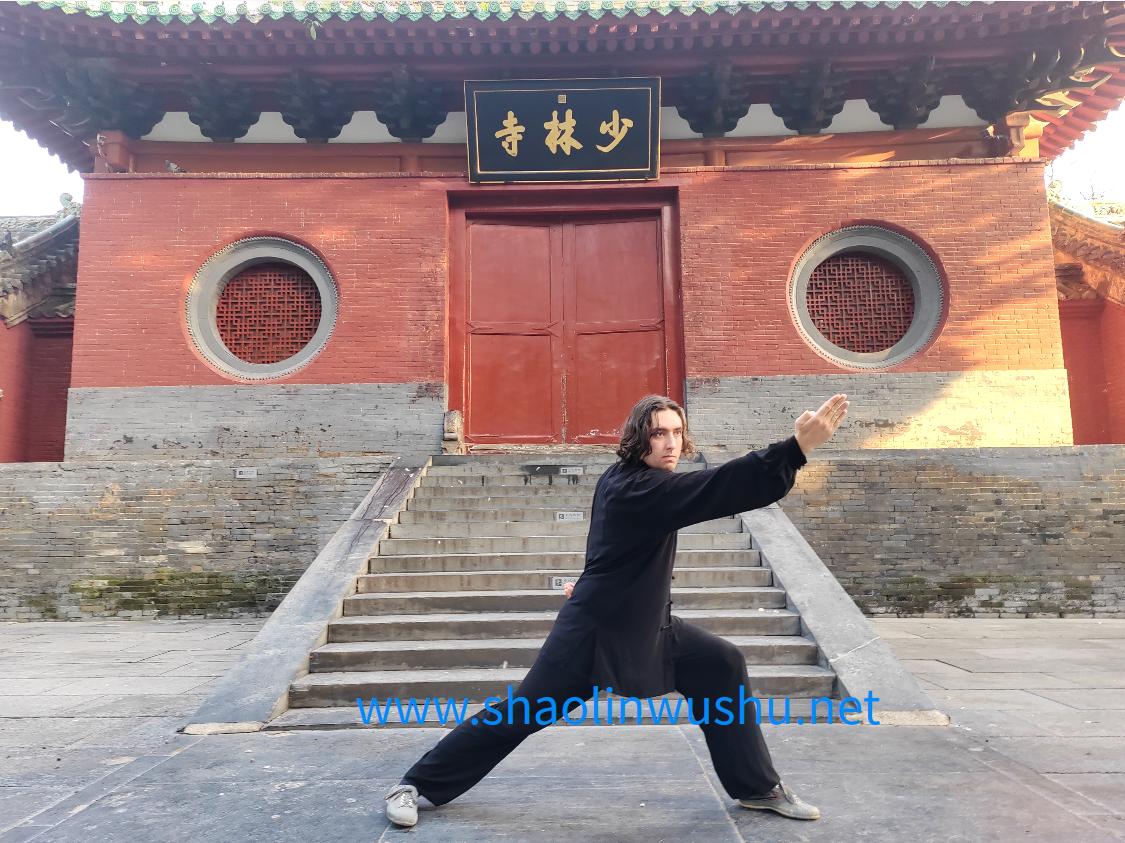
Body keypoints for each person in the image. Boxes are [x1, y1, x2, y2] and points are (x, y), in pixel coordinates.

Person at [384, 392, 849, 828]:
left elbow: (610, 546)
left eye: (676, 432)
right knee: (522, 712)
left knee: (720, 664)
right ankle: (414, 785)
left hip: (650, 626)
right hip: (595, 633)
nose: (671, 444)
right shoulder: (641, 489)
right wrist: (794, 449)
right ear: (637, 439)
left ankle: (757, 788)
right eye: (658, 434)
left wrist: (587, 580)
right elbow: (717, 487)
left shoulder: (627, 478)